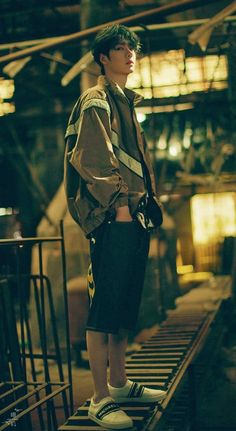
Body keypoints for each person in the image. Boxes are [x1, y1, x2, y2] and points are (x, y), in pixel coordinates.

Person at [64, 24, 166, 430]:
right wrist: (121, 206)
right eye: (120, 49)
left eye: (132, 49)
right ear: (103, 58)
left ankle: (121, 383)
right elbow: (93, 159)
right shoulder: (97, 100)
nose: (129, 54)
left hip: (133, 215)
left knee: (124, 306)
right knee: (105, 308)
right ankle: (100, 396)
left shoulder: (123, 101)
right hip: (113, 217)